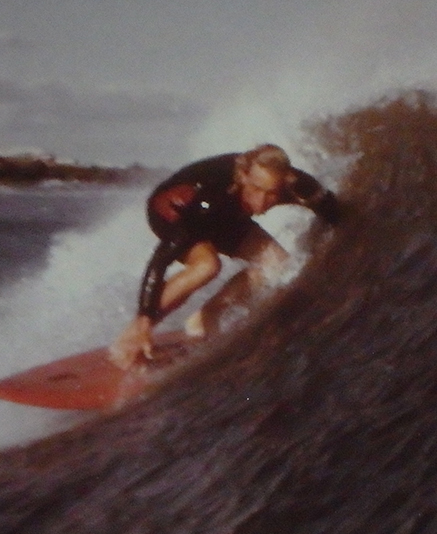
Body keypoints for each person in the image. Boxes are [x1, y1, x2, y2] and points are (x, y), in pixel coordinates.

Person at [111, 143, 340, 368]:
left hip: (228, 216)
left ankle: (205, 318)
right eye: (256, 189)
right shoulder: (208, 199)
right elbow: (160, 261)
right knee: (207, 266)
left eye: (271, 194)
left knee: (276, 263)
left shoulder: (298, 185)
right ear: (242, 176)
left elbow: (336, 213)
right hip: (174, 211)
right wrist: (144, 317)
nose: (261, 202)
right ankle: (130, 339)